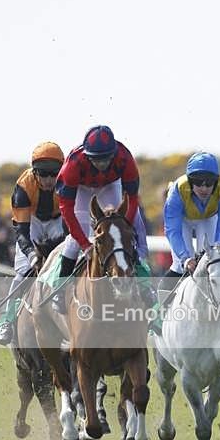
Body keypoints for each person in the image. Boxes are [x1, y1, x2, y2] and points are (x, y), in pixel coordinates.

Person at [54, 125, 154, 318]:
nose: (101, 164)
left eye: (106, 159)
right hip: (82, 189)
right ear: (87, 155)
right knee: (77, 237)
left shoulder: (125, 158)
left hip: (110, 185)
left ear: (113, 153)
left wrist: (124, 225)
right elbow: (66, 209)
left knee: (136, 226)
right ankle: (59, 288)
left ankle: (144, 285)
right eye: (96, 160)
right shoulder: (73, 165)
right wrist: (85, 245)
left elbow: (132, 199)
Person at [0, 142, 66, 345]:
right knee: (24, 270)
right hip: (32, 222)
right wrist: (32, 254)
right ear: (34, 171)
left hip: (59, 220)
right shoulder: (23, 187)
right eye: (43, 174)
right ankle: (7, 319)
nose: (49, 180)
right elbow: (21, 231)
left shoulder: (67, 182)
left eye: (54, 173)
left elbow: (71, 224)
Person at [161, 151, 220, 292]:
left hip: (208, 217)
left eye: (209, 182)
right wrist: (184, 258)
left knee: (211, 261)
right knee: (180, 265)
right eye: (198, 182)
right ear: (189, 181)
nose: (204, 188)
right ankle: (160, 310)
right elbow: (173, 231)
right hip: (183, 220)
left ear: (216, 181)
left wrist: (219, 246)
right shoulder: (177, 192)